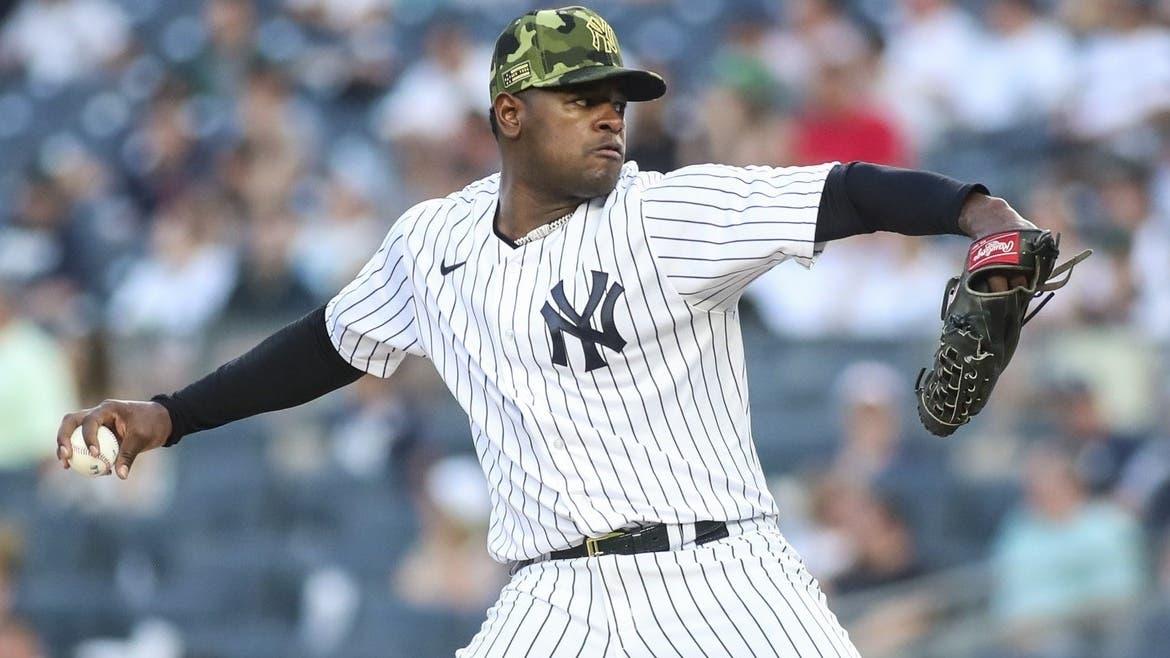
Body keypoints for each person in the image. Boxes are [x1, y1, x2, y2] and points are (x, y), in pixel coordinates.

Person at [57, 6, 1040, 655]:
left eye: (619, 102)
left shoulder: (662, 214)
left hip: (723, 574)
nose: (612, 118)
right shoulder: (434, 241)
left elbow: (845, 193)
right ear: (511, 114)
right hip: (554, 595)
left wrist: (980, 213)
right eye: (584, 100)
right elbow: (326, 344)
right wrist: (169, 414)